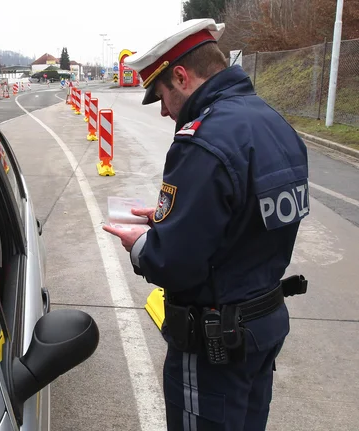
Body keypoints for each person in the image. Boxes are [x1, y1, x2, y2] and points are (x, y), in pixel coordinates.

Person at [102, 18, 309, 431]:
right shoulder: (272, 122)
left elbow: (174, 263)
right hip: (263, 325)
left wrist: (142, 245)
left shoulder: (203, 140)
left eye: (160, 95)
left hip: (216, 343)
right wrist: (174, 220)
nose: (162, 110)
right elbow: (244, 220)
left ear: (180, 76)